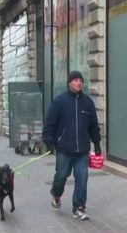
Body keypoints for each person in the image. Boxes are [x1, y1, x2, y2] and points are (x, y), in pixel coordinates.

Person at [43, 70, 101, 221]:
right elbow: (50, 123)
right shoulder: (60, 101)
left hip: (82, 150)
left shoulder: (87, 103)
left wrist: (97, 142)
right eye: (75, 80)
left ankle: (79, 207)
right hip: (64, 148)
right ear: (69, 83)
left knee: (82, 178)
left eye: (80, 80)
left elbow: (93, 125)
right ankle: (56, 195)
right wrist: (49, 141)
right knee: (61, 176)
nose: (78, 83)